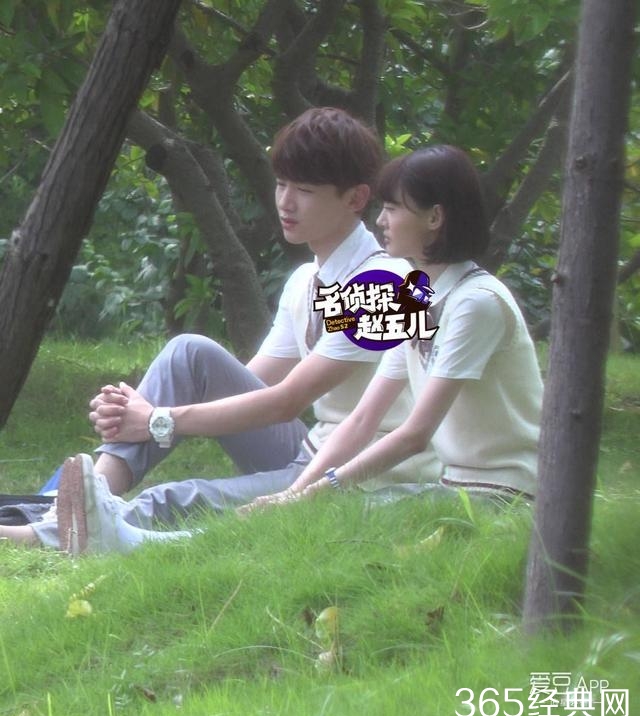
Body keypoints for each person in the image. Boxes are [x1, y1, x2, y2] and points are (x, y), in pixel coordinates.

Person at [0, 107, 439, 553]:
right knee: (189, 353)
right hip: (311, 448)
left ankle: (39, 535)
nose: (285, 202)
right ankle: (73, 501)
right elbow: (248, 385)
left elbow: (286, 401)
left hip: (362, 475)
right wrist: (132, 414)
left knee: (172, 498)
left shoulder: (387, 285)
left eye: (304, 190)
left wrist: (156, 419)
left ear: (356, 198)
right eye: (281, 184)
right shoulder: (306, 280)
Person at [242, 144, 543, 512]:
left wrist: (313, 494)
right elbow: (363, 419)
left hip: (506, 493)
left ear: (434, 217)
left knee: (339, 513)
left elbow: (415, 435)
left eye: (393, 208)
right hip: (455, 485)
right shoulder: (414, 297)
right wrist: (296, 493)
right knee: (321, 510)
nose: (381, 221)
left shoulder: (475, 303)